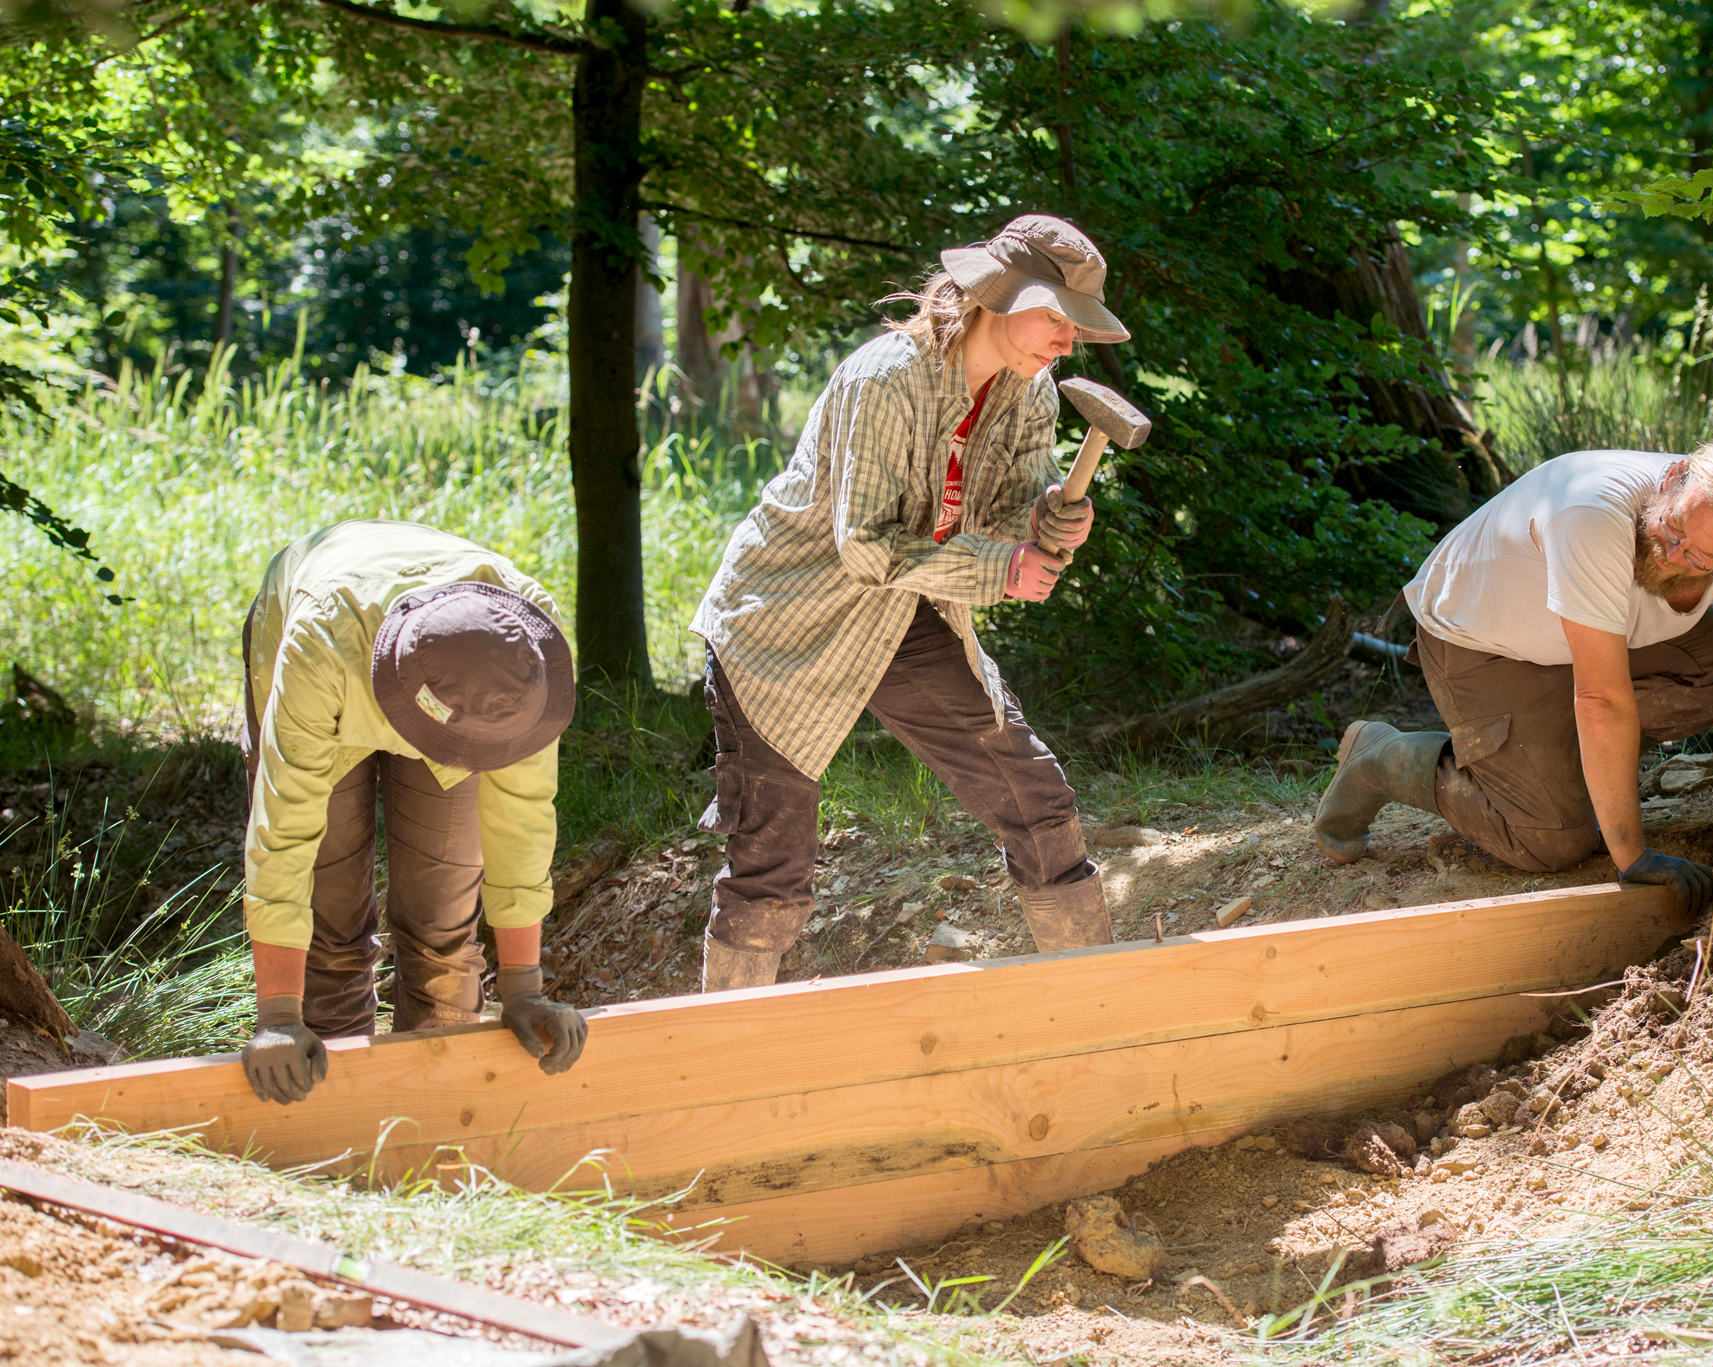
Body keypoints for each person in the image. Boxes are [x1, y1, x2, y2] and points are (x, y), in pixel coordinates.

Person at [688, 214, 1127, 991]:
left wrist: (1047, 515)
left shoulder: (1031, 398)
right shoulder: (885, 377)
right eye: (1053, 317)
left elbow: (1005, 513)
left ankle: (1090, 1003)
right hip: (785, 624)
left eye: (1076, 327)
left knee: (1035, 795)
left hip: (906, 609)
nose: (1065, 342)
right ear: (995, 295)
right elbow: (864, 548)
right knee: (771, 867)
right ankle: (730, 1058)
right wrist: (1002, 570)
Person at [1314, 438, 1713, 911]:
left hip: (1601, 639)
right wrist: (1633, 859)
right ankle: (1383, 756)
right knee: (1552, 839)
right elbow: (1601, 697)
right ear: (1676, 476)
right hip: (1482, 641)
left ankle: (1566, 760)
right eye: (1672, 528)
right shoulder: (1592, 514)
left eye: (1700, 557)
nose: (1672, 554)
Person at [238, 519, 588, 1105]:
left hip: (448, 677)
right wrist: (277, 1015)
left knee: (443, 929)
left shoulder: (527, 651)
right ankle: (335, 1122)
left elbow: (522, 819)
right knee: (330, 928)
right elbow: (284, 833)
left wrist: (524, 988)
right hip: (336, 662)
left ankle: (441, 1118)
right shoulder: (318, 646)